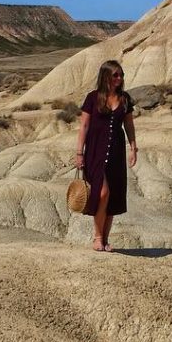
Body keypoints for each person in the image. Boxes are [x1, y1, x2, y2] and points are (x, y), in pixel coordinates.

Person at [74, 60, 138, 252]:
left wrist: (133, 148)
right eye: (115, 75)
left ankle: (105, 239)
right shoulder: (92, 98)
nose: (119, 78)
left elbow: (129, 126)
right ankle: (98, 236)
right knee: (102, 193)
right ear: (106, 76)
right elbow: (84, 126)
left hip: (116, 152)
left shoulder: (125, 99)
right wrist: (79, 152)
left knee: (112, 197)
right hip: (95, 151)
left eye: (121, 75)